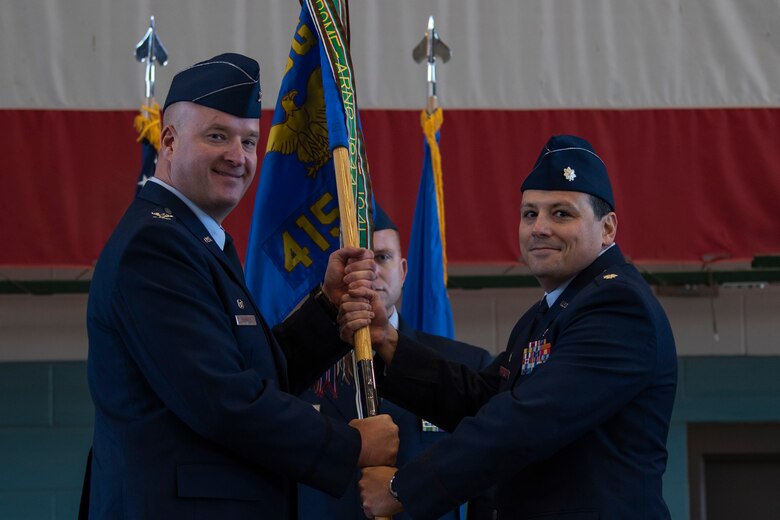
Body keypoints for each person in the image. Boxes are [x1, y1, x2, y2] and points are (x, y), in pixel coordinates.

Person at [84, 53, 398, 518]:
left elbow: (251, 373)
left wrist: (328, 307)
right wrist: (349, 445)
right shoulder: (155, 246)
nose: (238, 156)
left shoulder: (193, 239)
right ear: (168, 141)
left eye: (250, 141)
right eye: (217, 136)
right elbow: (221, 400)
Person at [346, 135, 678, 519]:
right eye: (530, 214)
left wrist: (402, 488)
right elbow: (485, 400)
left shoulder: (618, 307)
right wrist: (387, 341)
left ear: (608, 229)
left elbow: (527, 421)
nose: (539, 228)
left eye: (561, 214)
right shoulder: (547, 313)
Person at [298, 206, 494, 520]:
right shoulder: (299, 367)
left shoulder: (466, 364)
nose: (370, 270)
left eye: (382, 257)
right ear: (335, 269)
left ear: (403, 270)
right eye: (356, 261)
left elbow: (487, 480)